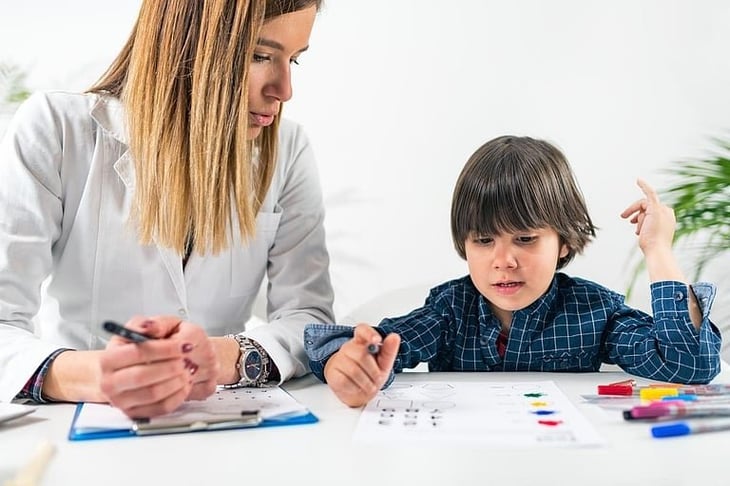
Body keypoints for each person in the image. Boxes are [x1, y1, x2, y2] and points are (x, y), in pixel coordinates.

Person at [0, 0, 334, 418]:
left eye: (294, 61)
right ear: (188, 45)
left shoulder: (287, 150)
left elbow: (310, 318)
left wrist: (226, 358)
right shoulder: (56, 128)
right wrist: (95, 374)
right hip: (83, 428)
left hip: (228, 425)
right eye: (259, 56)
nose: (284, 90)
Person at [304, 135, 722, 407]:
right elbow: (381, 348)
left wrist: (658, 250)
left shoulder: (597, 313)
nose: (503, 260)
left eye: (525, 239)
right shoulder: (449, 310)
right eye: (484, 241)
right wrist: (355, 364)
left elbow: (689, 364)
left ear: (565, 242)